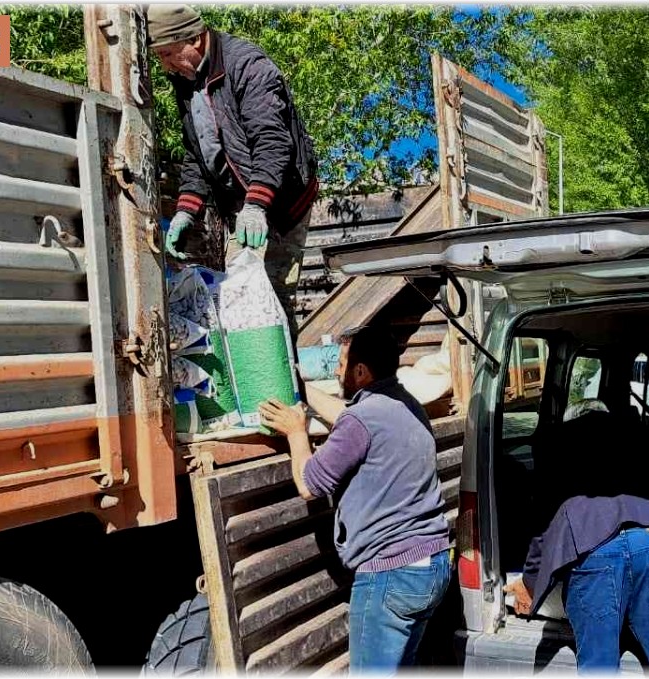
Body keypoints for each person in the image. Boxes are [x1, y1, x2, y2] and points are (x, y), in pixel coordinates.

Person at [259, 325, 452, 673]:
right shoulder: (405, 405)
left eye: (342, 363)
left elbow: (309, 483)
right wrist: (304, 391)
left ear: (361, 371)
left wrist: (295, 433)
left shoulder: (361, 420)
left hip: (390, 572)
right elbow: (351, 416)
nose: (336, 370)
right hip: (431, 564)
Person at [148, 5, 318, 337]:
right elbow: (199, 152)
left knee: (270, 306)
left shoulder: (248, 65)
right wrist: (186, 210)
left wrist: (256, 204)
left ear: (195, 39)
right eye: (159, 58)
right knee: (241, 303)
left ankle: (283, 386)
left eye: (168, 54)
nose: (165, 65)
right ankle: (255, 384)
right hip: (243, 204)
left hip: (280, 201)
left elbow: (272, 141)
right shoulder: (186, 78)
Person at [504, 404, 649, 673]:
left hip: (593, 550)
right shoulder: (641, 435)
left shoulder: (556, 442)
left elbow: (545, 521)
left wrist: (530, 583)